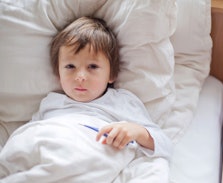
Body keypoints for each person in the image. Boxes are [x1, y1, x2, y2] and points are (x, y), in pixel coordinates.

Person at [0, 16, 172, 182]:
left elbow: (164, 145)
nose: (80, 76)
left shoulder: (122, 101)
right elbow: (29, 136)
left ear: (111, 74)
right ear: (58, 73)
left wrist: (135, 131)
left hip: (90, 146)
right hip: (48, 138)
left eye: (92, 67)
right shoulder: (50, 102)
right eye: (70, 67)